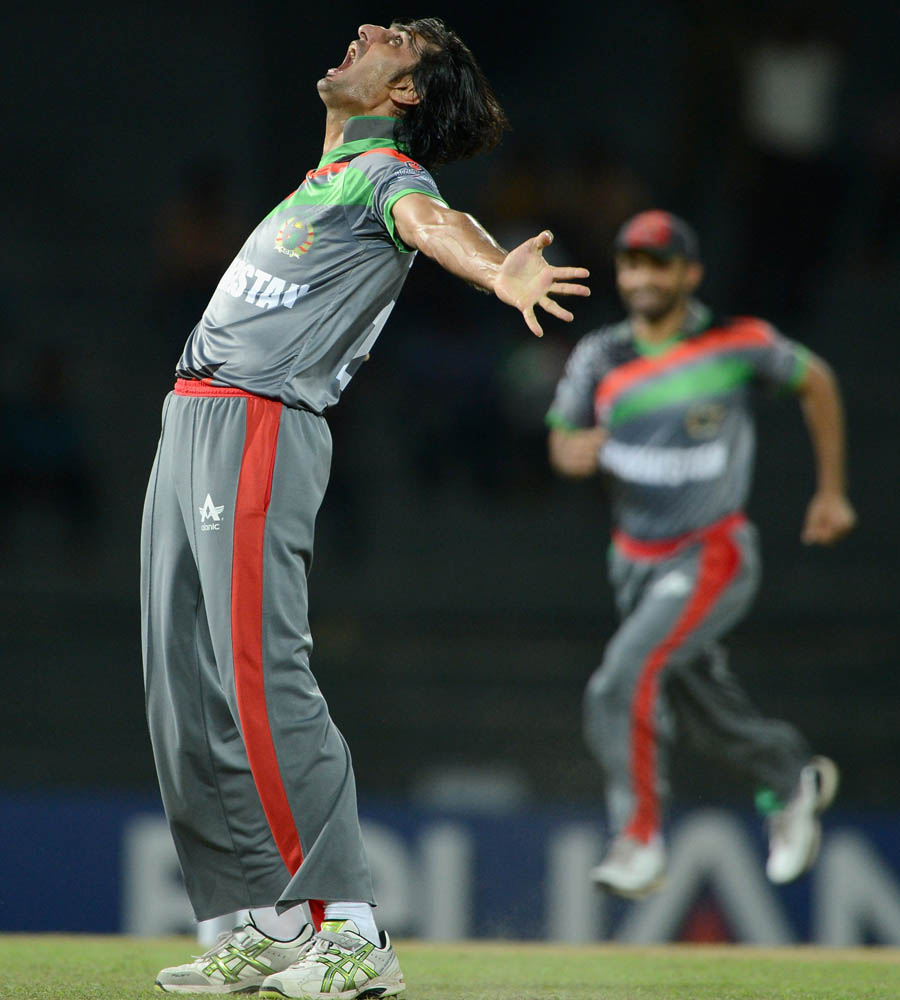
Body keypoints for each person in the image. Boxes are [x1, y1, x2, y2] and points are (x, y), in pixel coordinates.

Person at [142, 17, 589, 999]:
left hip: (258, 426)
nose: (363, 30)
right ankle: (260, 923)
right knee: (184, 691)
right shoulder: (325, 176)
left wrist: (497, 266)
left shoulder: (390, 177)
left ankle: (351, 929)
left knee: (260, 676)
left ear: (405, 96)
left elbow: (437, 225)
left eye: (395, 39)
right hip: (191, 416)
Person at [545, 209, 854, 899]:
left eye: (659, 263)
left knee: (621, 677)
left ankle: (638, 839)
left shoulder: (734, 343)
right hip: (633, 562)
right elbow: (563, 439)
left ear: (690, 274)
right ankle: (788, 775)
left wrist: (830, 493)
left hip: (710, 551)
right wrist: (573, 454)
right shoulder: (601, 356)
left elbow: (818, 381)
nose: (643, 277)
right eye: (632, 263)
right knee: (698, 705)